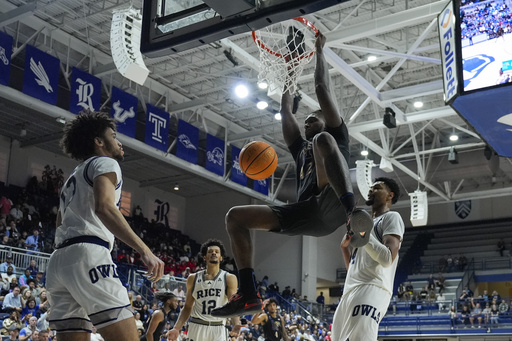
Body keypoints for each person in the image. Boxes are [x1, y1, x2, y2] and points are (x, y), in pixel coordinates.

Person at [212, 31, 371, 317]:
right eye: (307, 120)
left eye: (315, 118)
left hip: (334, 203)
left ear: (329, 119)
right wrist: (291, 63)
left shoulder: (336, 134)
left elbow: (322, 87)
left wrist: (320, 50)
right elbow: (286, 110)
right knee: (234, 216)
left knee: (323, 141)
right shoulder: (300, 148)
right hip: (308, 213)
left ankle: (352, 212)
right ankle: (248, 294)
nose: (309, 120)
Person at [45, 111, 164, 341]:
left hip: (59, 261)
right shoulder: (105, 162)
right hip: (88, 254)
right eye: (113, 135)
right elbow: (105, 208)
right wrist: (145, 250)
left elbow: (60, 222)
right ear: (99, 142)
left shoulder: (74, 175)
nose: (119, 142)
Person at [332, 177, 405, 340]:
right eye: (371, 187)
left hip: (373, 287)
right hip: (350, 290)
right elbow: (355, 268)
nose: (371, 190)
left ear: (389, 196)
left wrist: (364, 234)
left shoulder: (392, 217)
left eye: (377, 188)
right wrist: (345, 248)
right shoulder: (364, 224)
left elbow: (387, 258)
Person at [167, 239, 241, 341]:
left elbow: (233, 304)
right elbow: (188, 307)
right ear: (205, 257)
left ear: (221, 257)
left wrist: (236, 323)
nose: (213, 253)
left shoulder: (229, 278)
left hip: (218, 327)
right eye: (210, 251)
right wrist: (176, 328)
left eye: (217, 252)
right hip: (197, 325)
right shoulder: (193, 278)